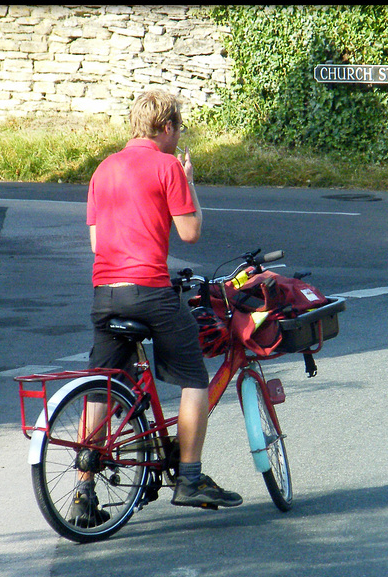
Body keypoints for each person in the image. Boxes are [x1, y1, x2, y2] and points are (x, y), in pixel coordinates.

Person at [73, 89, 242, 527]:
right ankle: (189, 478)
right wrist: (188, 183)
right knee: (193, 378)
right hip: (149, 291)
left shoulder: (103, 170)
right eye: (179, 128)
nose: (180, 134)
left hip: (105, 293)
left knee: (101, 387)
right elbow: (190, 233)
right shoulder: (167, 166)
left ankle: (82, 492)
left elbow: (97, 244)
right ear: (166, 128)